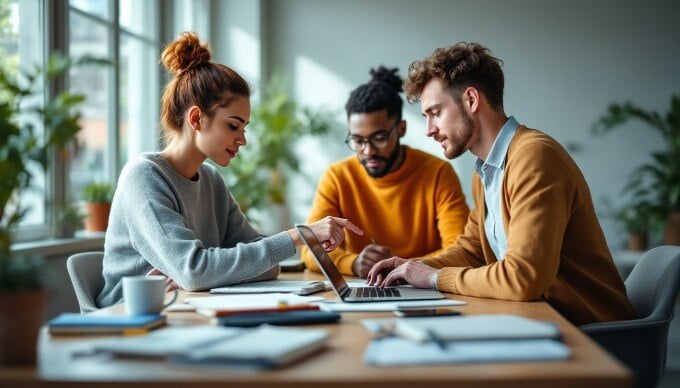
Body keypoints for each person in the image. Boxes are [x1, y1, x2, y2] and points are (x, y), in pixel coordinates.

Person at [367, 43, 634, 325]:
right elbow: (471, 251)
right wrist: (411, 267)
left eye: (436, 113)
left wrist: (433, 278)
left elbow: (523, 277)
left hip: (593, 333)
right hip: (542, 320)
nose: (430, 130)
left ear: (471, 100)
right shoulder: (486, 170)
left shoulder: (534, 157)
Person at [97, 32, 362, 307]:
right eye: (233, 126)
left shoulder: (211, 180)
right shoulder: (144, 177)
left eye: (244, 128)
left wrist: (209, 270)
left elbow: (267, 267)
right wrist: (299, 236)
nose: (242, 139)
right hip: (127, 317)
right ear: (197, 118)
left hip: (182, 308)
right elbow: (196, 271)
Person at [301, 66, 469, 278]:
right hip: (367, 286)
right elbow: (310, 249)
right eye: (358, 140)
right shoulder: (337, 177)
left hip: (423, 285)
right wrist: (353, 264)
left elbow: (461, 250)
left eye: (379, 138)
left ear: (401, 128)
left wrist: (405, 267)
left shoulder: (437, 173)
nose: (368, 151)